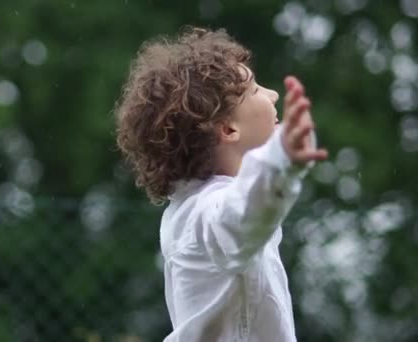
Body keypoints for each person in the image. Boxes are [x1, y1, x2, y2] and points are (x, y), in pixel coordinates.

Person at [114, 26, 328, 341]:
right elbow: (242, 216)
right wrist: (280, 159)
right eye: (255, 90)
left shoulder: (188, 211)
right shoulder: (204, 212)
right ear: (228, 129)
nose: (273, 94)